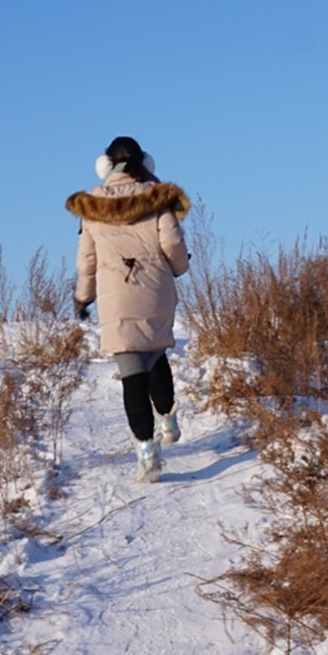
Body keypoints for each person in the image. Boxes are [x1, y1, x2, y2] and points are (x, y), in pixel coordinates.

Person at [67, 136, 190, 482]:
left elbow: (86, 261)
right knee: (155, 353)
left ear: (105, 166)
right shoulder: (158, 199)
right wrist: (179, 269)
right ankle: (167, 416)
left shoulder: (91, 206)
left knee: (132, 375)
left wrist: (83, 298)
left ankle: (147, 453)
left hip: (116, 297)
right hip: (156, 292)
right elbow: (173, 244)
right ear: (144, 163)